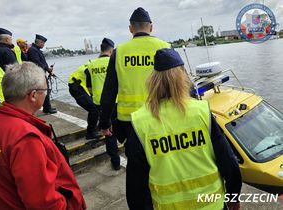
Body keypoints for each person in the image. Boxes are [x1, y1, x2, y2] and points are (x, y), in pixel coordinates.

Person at [131, 48, 242, 210]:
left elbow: (136, 185)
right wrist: (233, 196)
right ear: (182, 78)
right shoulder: (201, 111)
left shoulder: (140, 122)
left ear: (153, 82)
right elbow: (229, 162)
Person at [0, 62, 87, 210]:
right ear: (33, 95)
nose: (46, 93)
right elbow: (43, 203)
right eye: (45, 89)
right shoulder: (26, 139)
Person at [99, 7, 170, 209]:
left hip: (132, 124)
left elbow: (109, 92)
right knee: (163, 162)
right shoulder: (165, 47)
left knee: (138, 172)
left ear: (131, 29)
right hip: (161, 118)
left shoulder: (119, 52)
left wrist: (104, 123)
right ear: (151, 27)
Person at [86, 38, 120, 170]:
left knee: (109, 132)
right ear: (111, 49)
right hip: (116, 101)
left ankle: (115, 161)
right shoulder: (114, 61)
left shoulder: (91, 64)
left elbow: (88, 88)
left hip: (100, 104)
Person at [68, 62, 103, 140]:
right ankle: (90, 133)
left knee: (96, 107)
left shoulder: (91, 65)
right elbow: (92, 84)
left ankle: (99, 126)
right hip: (77, 88)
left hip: (79, 87)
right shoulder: (90, 69)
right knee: (94, 109)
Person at [27, 34, 57, 114]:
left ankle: (47, 107)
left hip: (40, 73)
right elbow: (37, 63)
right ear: (39, 42)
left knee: (45, 90)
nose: (43, 45)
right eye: (43, 43)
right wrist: (47, 69)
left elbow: (42, 62)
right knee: (44, 91)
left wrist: (48, 70)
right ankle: (47, 109)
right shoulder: (33, 50)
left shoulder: (36, 50)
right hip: (37, 74)